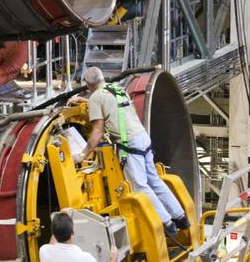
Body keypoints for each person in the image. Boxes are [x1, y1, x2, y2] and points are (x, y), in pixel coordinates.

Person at [76, 67, 189, 237]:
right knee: (154, 181)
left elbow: (97, 131)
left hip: (130, 145)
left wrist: (83, 154)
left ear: (87, 84)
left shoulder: (96, 98)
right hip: (143, 138)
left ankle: (166, 223)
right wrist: (84, 101)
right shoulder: (117, 90)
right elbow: (111, 107)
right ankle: (180, 217)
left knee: (140, 186)